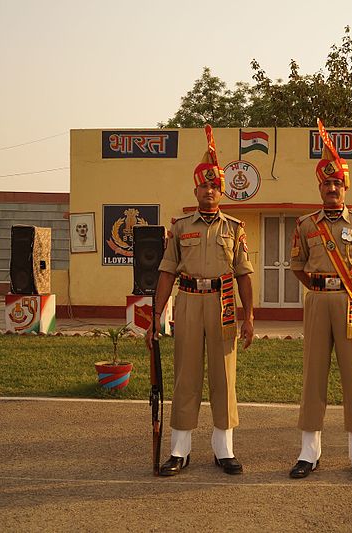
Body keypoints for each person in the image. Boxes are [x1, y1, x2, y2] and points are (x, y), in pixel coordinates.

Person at [146, 125, 254, 476]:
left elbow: (243, 274)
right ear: (195, 189)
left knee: (224, 377)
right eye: (204, 185)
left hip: (222, 301)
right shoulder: (179, 227)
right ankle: (180, 450)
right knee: (186, 375)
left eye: (215, 186)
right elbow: (166, 272)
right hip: (189, 300)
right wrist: (156, 315)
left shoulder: (235, 228)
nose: (209, 191)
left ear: (222, 192)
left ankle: (224, 449)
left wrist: (248, 316)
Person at [288, 118, 352, 480]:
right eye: (326, 182)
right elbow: (297, 264)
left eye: (337, 183)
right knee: (313, 374)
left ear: (345, 187)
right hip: (317, 301)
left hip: (350, 304)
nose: (332, 188)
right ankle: (308, 453)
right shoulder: (307, 225)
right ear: (320, 186)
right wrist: (316, 285)